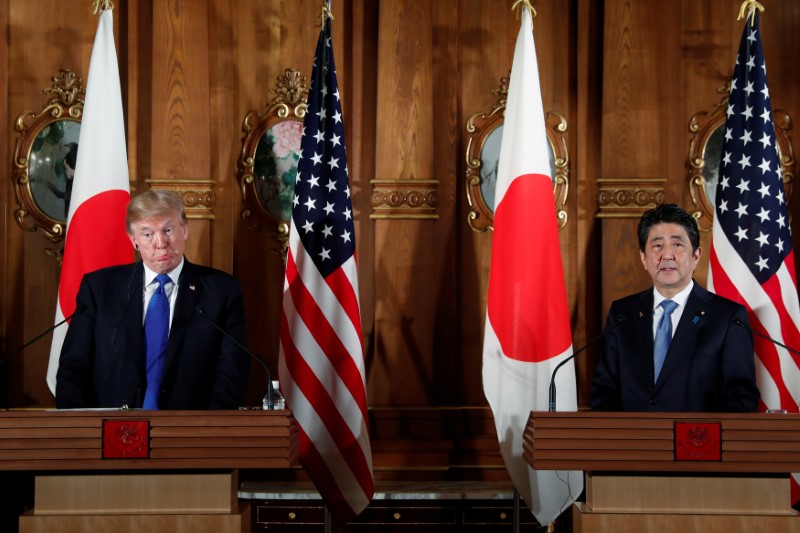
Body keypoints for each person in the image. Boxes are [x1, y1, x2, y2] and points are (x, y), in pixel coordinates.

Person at [56, 190, 250, 409]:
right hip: (113, 431)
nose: (161, 243)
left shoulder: (221, 290)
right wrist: (81, 431)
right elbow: (73, 367)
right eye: (147, 234)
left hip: (191, 431)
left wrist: (209, 429)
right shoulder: (101, 289)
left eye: (168, 230)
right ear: (134, 240)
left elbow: (232, 368)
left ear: (184, 229)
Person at [591, 203, 760, 412]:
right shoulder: (622, 314)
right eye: (657, 246)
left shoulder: (727, 317)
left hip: (697, 441)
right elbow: (604, 391)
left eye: (677, 245)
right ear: (644, 258)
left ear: (696, 256)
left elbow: (740, 397)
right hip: (633, 441)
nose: (667, 255)